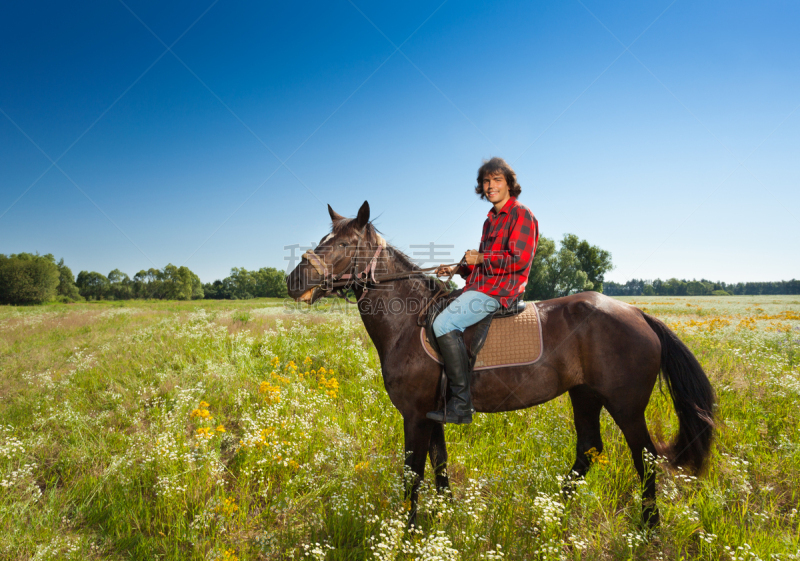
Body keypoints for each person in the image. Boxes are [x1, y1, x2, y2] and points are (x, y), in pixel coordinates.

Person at [427, 157, 539, 424]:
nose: (491, 186)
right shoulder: (490, 220)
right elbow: (483, 266)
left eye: (497, 180)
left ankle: (462, 406)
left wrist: (481, 259)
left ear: (509, 184)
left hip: (501, 291)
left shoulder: (521, 214)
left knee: (443, 323)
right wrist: (458, 269)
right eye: (486, 181)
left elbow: (519, 259)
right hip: (481, 286)